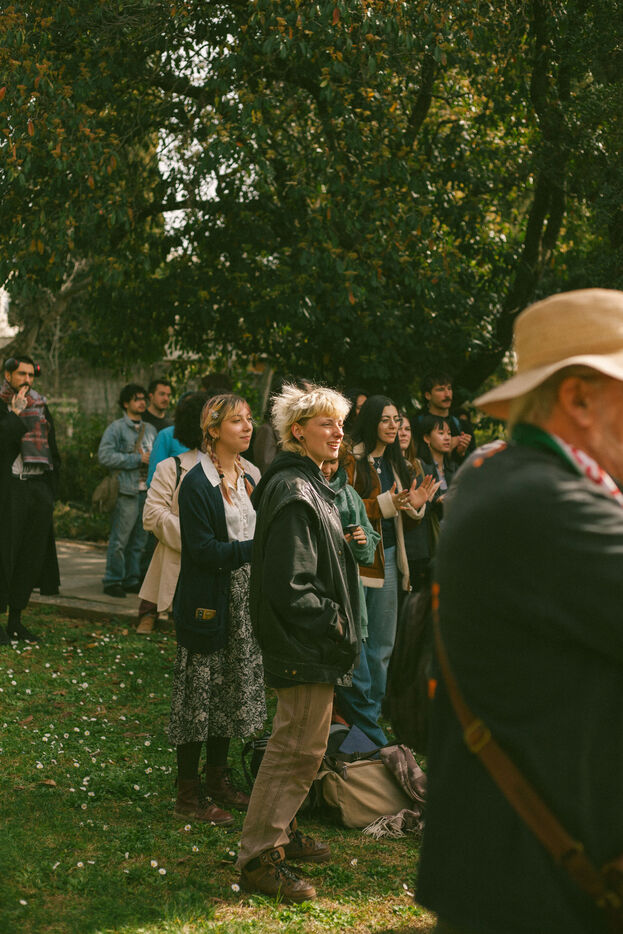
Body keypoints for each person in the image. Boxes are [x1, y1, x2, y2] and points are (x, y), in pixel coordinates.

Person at [417, 288, 623, 934]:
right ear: (578, 399)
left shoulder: (501, 472)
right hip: (535, 890)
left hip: (520, 872)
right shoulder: (543, 502)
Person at [237, 382, 360, 902]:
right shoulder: (294, 490)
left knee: (305, 747)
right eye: (326, 423)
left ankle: (281, 833)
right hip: (304, 642)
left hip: (310, 641)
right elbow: (291, 586)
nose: (337, 433)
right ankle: (259, 857)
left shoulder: (310, 483)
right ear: (297, 431)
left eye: (340, 423)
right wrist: (336, 624)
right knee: (294, 749)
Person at [169, 393, 264, 825]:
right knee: (199, 695)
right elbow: (203, 550)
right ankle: (188, 794)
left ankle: (219, 779)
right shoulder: (196, 483)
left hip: (243, 599)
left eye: (249, 419)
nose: (247, 427)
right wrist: (255, 549)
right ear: (213, 430)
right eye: (236, 421)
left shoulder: (249, 476)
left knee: (227, 690)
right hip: (208, 599)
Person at [345, 395, 436, 730]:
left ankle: (372, 715)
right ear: (371, 421)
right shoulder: (352, 459)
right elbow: (346, 508)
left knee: (383, 644)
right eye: (385, 419)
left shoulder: (396, 463)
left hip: (391, 559)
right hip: (361, 561)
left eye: (396, 419)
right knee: (359, 642)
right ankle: (359, 717)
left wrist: (415, 505)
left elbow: (401, 521)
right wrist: (387, 504)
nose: (393, 426)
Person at [320, 453, 384, 745]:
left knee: (359, 685)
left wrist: (361, 541)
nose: (328, 468)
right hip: (319, 604)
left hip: (350, 606)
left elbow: (368, 552)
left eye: (333, 462)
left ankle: (368, 749)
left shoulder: (349, 496)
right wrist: (338, 545)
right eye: (323, 462)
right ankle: (378, 748)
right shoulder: (303, 490)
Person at [0, 354, 60, 643]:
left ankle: (16, 621)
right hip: (10, 489)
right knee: (5, 555)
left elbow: (53, 446)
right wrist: (14, 414)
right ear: (8, 375)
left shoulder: (40, 405)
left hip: (37, 487)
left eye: (30, 375)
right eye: (21, 374)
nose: (27, 380)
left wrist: (51, 491)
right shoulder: (3, 404)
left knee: (30, 556)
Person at [137, 392, 208, 634]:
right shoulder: (167, 435)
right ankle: (147, 613)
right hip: (169, 510)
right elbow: (155, 473)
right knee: (155, 562)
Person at [98, 384, 156, 598]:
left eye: (143, 399)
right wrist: (136, 459)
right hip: (125, 490)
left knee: (139, 542)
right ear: (126, 403)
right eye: (136, 399)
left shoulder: (150, 430)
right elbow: (104, 456)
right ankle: (113, 580)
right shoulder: (116, 428)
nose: (142, 402)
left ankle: (131, 579)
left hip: (146, 491)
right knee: (119, 541)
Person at [398, 413, 436, 593]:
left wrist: (427, 501)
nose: (403, 433)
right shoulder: (389, 466)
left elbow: (429, 503)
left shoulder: (419, 465)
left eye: (407, 429)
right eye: (399, 429)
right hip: (402, 548)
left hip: (421, 547)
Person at [418, 372, 473, 461]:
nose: (447, 394)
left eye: (449, 388)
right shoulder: (417, 424)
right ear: (428, 395)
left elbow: (473, 463)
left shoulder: (462, 425)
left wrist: (461, 453)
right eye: (440, 389)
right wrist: (448, 448)